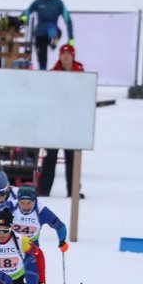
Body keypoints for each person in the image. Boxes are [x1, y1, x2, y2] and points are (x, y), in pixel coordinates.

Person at [0, 185, 68, 284]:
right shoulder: (10, 206)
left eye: (29, 203)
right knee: (3, 277)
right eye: (22, 202)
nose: (25, 206)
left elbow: (59, 225)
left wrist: (62, 240)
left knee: (33, 278)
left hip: (29, 250)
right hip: (8, 248)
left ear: (34, 201)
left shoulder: (41, 211)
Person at [34, 44, 86, 196]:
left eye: (68, 53)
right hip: (55, 123)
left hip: (72, 123)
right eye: (63, 53)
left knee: (72, 158)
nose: (65, 56)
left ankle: (73, 189)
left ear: (73, 56)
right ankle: (44, 189)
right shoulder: (53, 74)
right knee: (50, 157)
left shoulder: (81, 75)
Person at [21, 0, 73, 70]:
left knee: (51, 27)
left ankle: (53, 41)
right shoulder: (38, 2)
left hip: (52, 32)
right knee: (42, 61)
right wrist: (23, 18)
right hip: (40, 34)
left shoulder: (58, 3)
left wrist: (71, 38)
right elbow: (27, 12)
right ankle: (43, 73)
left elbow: (67, 20)